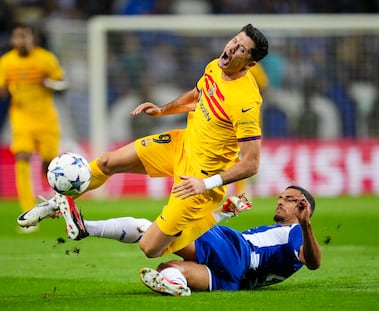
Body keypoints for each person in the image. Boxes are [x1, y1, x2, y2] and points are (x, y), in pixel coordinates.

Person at [17, 24, 269, 257]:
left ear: (250, 63)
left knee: (151, 248)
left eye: (241, 49)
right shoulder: (215, 65)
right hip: (180, 143)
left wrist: (206, 184)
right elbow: (198, 94)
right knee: (106, 162)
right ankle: (53, 206)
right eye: (234, 41)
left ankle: (218, 213)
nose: (232, 48)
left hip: (201, 176)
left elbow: (251, 164)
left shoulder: (245, 102)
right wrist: (162, 110)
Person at [54, 185, 321, 296]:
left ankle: (85, 227)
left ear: (302, 207)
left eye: (287, 199)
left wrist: (306, 223)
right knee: (167, 270)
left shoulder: (296, 230)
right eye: (281, 197)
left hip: (238, 253)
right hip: (235, 280)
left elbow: (313, 262)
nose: (280, 201)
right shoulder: (283, 234)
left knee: (157, 229)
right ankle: (176, 285)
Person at [0, 22, 68, 231]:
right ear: (12, 40)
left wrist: (49, 83)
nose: (21, 41)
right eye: (18, 37)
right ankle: (28, 215)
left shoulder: (45, 59)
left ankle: (59, 206)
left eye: (25, 36)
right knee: (22, 157)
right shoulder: (6, 62)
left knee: (49, 165)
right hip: (21, 118)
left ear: (32, 38)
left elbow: (63, 85)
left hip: (46, 119)